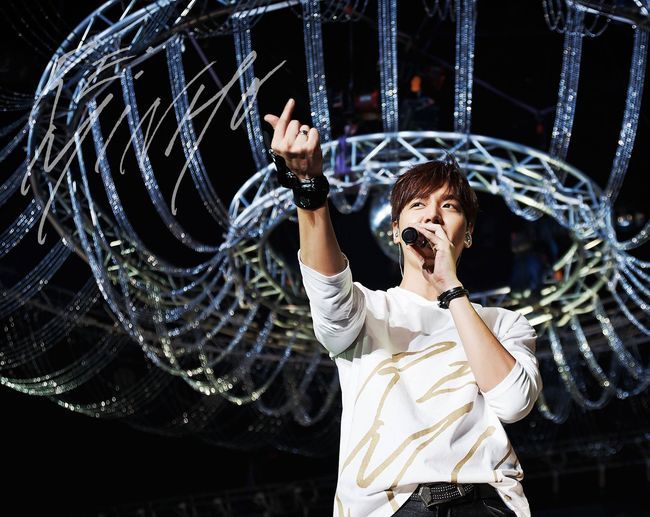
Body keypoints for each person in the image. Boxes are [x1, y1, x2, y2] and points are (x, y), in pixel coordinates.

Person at [264, 99, 542, 517]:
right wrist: (308, 189)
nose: (433, 215)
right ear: (396, 231)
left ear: (467, 234)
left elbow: (514, 402)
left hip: (485, 501)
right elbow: (328, 288)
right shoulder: (368, 311)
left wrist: (451, 290)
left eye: (449, 206)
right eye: (418, 205)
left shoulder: (503, 323)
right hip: (390, 506)